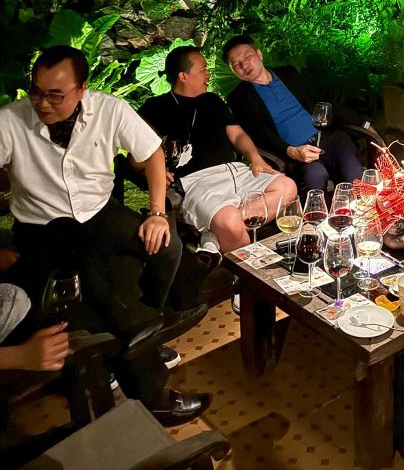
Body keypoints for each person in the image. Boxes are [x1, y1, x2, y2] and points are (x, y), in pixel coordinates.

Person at [0, 46, 209, 425]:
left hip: (100, 212)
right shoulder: (10, 121)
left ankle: (145, 325)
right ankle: (148, 373)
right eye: (36, 92)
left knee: (167, 246)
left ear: (82, 89)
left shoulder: (108, 109)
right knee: (109, 288)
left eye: (55, 95)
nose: (42, 104)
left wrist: (157, 213)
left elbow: (152, 152)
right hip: (43, 228)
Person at [138, 45, 295, 257]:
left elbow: (237, 136)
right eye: (203, 69)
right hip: (197, 182)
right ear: (183, 76)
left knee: (287, 187)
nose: (208, 74)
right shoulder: (156, 107)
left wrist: (255, 158)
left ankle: (211, 236)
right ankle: (244, 268)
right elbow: (135, 155)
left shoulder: (213, 101)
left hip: (237, 172)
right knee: (229, 221)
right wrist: (152, 170)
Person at [223, 35, 364, 195]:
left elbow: (322, 101)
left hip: (328, 139)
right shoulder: (239, 98)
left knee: (356, 181)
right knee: (314, 179)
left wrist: (363, 123)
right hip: (297, 154)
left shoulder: (288, 73)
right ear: (233, 70)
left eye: (248, 57)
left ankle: (364, 205)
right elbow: (260, 134)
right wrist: (290, 151)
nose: (244, 65)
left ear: (259, 54)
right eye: (236, 64)